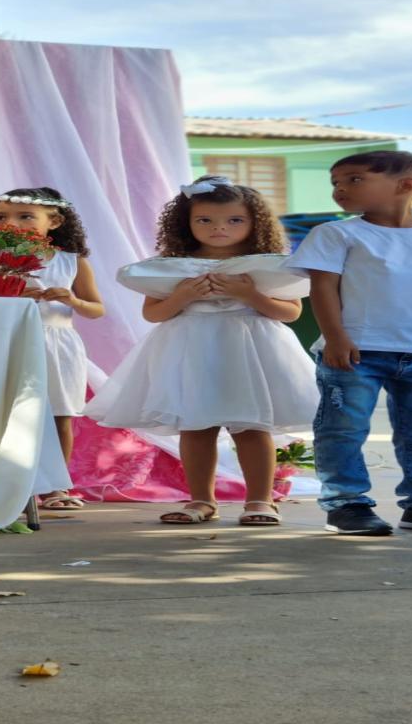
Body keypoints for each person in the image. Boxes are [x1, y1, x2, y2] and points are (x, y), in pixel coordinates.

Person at [85, 176, 317, 525]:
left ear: (255, 223)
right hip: (191, 351)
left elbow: (291, 312)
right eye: (205, 220)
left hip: (250, 351)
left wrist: (248, 294)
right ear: (186, 223)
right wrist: (184, 296)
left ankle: (260, 500)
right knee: (195, 427)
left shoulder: (266, 265)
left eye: (234, 220)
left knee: (252, 427)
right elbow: (153, 313)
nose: (219, 228)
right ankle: (201, 500)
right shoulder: (171, 267)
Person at [287, 150, 412, 535]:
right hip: (355, 350)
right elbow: (322, 288)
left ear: (406, 186)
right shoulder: (337, 233)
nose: (339, 189)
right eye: (335, 182)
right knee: (343, 429)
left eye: (353, 179)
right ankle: (346, 504)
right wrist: (335, 337)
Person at [0, 187, 104, 510]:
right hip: (3, 343)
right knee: (0, 415)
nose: (11, 223)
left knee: (58, 415)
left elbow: (96, 308)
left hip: (56, 344)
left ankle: (55, 487)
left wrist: (71, 299)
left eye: (25, 216)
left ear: (55, 221)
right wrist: (2, 297)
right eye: (0, 217)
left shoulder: (70, 261)